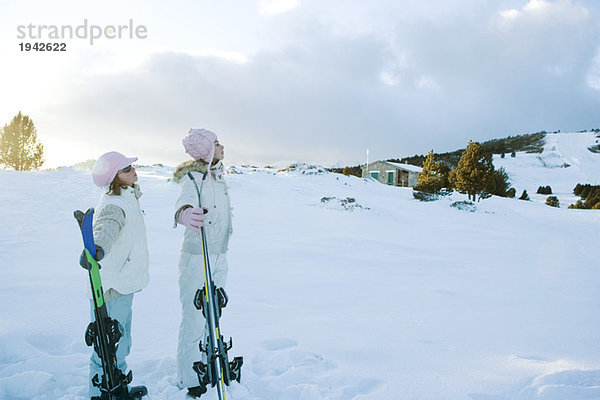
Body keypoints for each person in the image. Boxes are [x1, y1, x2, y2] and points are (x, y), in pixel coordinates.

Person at [84, 151, 150, 399]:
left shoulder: (128, 196)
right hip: (111, 288)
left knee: (120, 342)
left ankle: (117, 388)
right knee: (107, 344)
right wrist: (98, 247)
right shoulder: (114, 204)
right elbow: (106, 228)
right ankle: (99, 393)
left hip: (124, 284)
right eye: (126, 169)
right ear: (114, 177)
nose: (134, 171)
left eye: (132, 167)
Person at [173, 128, 232, 398]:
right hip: (198, 256)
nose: (223, 148)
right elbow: (183, 202)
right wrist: (185, 214)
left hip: (218, 254)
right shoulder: (194, 178)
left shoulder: (218, 177)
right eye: (217, 144)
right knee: (195, 316)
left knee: (214, 313)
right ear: (207, 150)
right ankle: (189, 375)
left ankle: (210, 363)